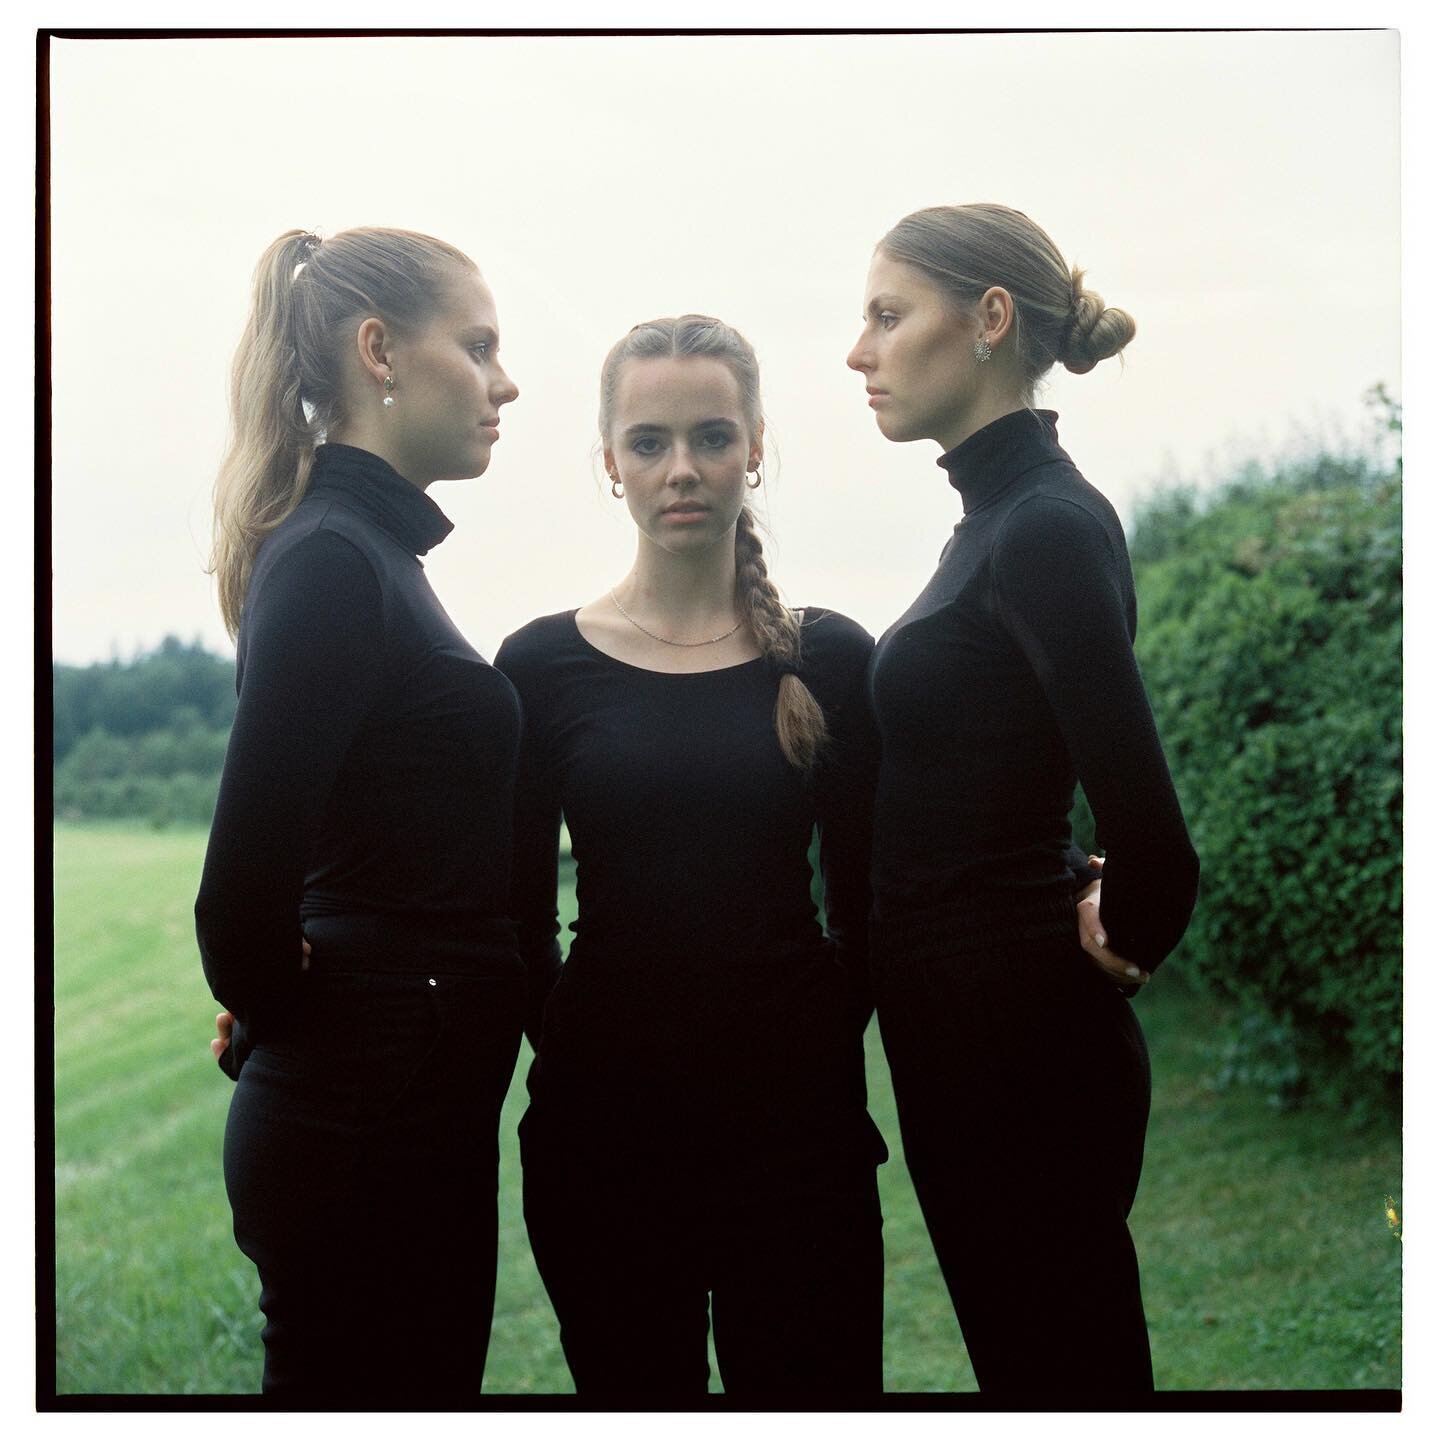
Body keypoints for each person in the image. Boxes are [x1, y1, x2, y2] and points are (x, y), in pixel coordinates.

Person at [493, 315, 890, 1396]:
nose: (683, 470)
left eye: (713, 437)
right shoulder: (539, 668)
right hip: (602, 1144)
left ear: (756, 445)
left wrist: (799, 1035)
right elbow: (512, 919)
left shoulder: (831, 658)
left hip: (798, 1140)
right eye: (650, 441)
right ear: (608, 460)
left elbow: (874, 907)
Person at [846, 203, 1200, 1394]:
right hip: (964, 1035)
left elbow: (1150, 832)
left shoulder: (1043, 524)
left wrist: (1122, 928)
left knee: (1071, 1378)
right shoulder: (991, 522)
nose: (862, 352)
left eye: (889, 316)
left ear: (989, 319)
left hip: (1023, 1046)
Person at [195, 226, 530, 1402]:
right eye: (479, 346)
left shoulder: (375, 555)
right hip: (361, 1130)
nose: (505, 380)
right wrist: (316, 1029)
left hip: (402, 1115)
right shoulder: (335, 557)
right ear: (379, 349)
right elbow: (240, 904)